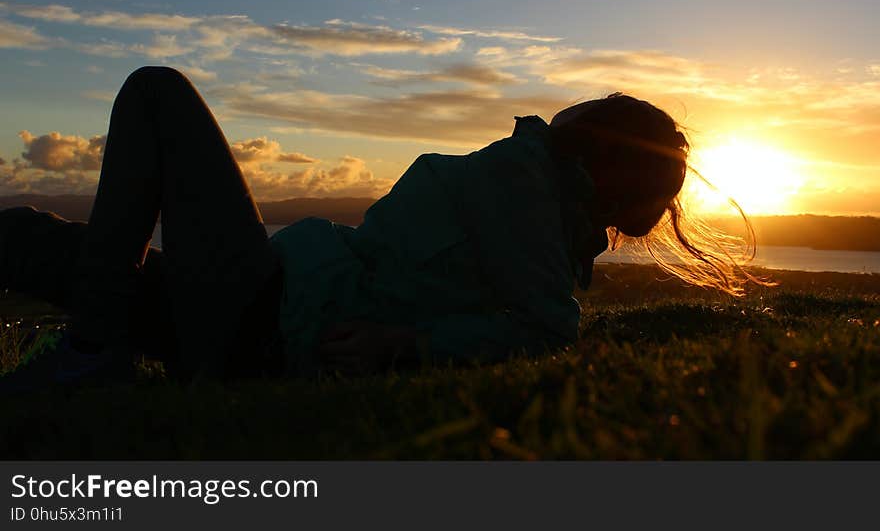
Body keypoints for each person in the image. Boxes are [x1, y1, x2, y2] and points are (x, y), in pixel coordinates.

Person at [0, 66, 756, 393]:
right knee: (24, 237)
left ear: (603, 143)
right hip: (257, 301)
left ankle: (93, 353)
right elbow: (536, 314)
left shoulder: (529, 183)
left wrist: (410, 346)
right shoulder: (542, 213)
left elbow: (549, 329)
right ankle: (93, 345)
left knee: (157, 92)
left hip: (263, 314)